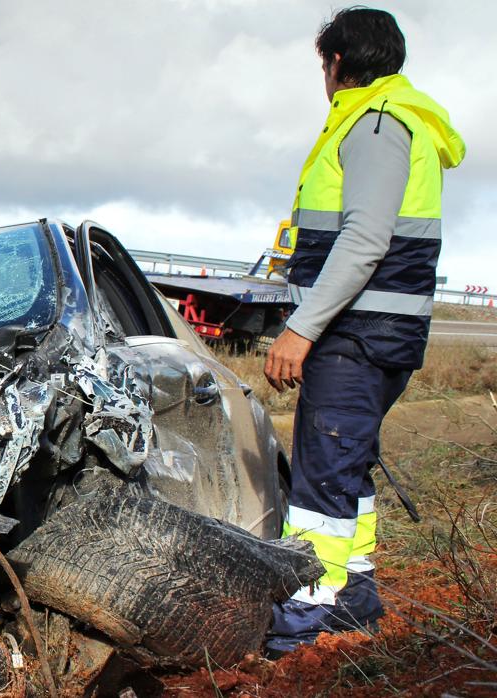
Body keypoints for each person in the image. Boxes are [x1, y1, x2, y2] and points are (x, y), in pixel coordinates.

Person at [263, 7, 465, 655]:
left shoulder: (375, 124)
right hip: (374, 333)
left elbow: (366, 238)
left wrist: (301, 328)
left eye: (324, 64)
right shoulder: (397, 120)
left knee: (320, 486)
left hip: (356, 335)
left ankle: (296, 631)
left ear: (338, 63)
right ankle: (354, 604)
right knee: (347, 471)